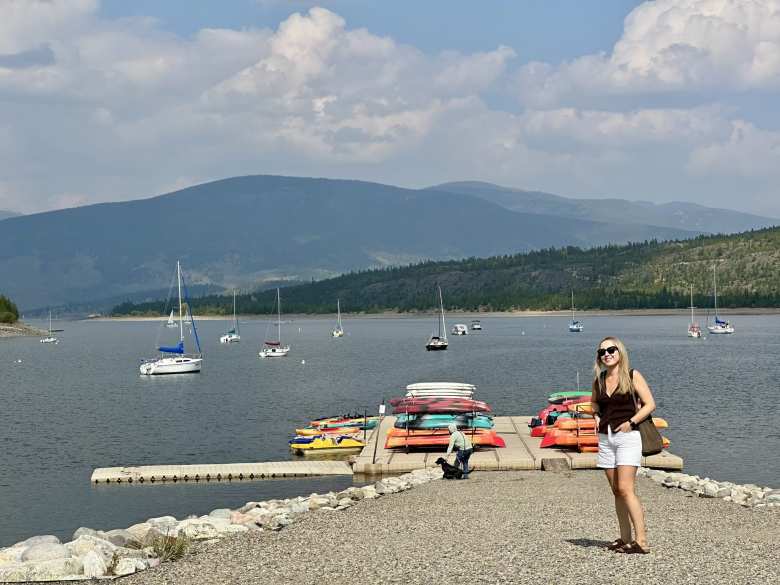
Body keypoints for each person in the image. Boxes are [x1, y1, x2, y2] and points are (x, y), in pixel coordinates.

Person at [591, 337, 656, 554]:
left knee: (626, 489)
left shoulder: (632, 375)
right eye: (602, 352)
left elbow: (650, 404)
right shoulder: (599, 380)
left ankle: (642, 541)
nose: (607, 354)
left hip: (628, 438)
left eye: (611, 350)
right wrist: (596, 416)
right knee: (617, 491)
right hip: (605, 438)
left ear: (620, 352)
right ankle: (625, 538)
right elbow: (594, 403)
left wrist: (631, 422)